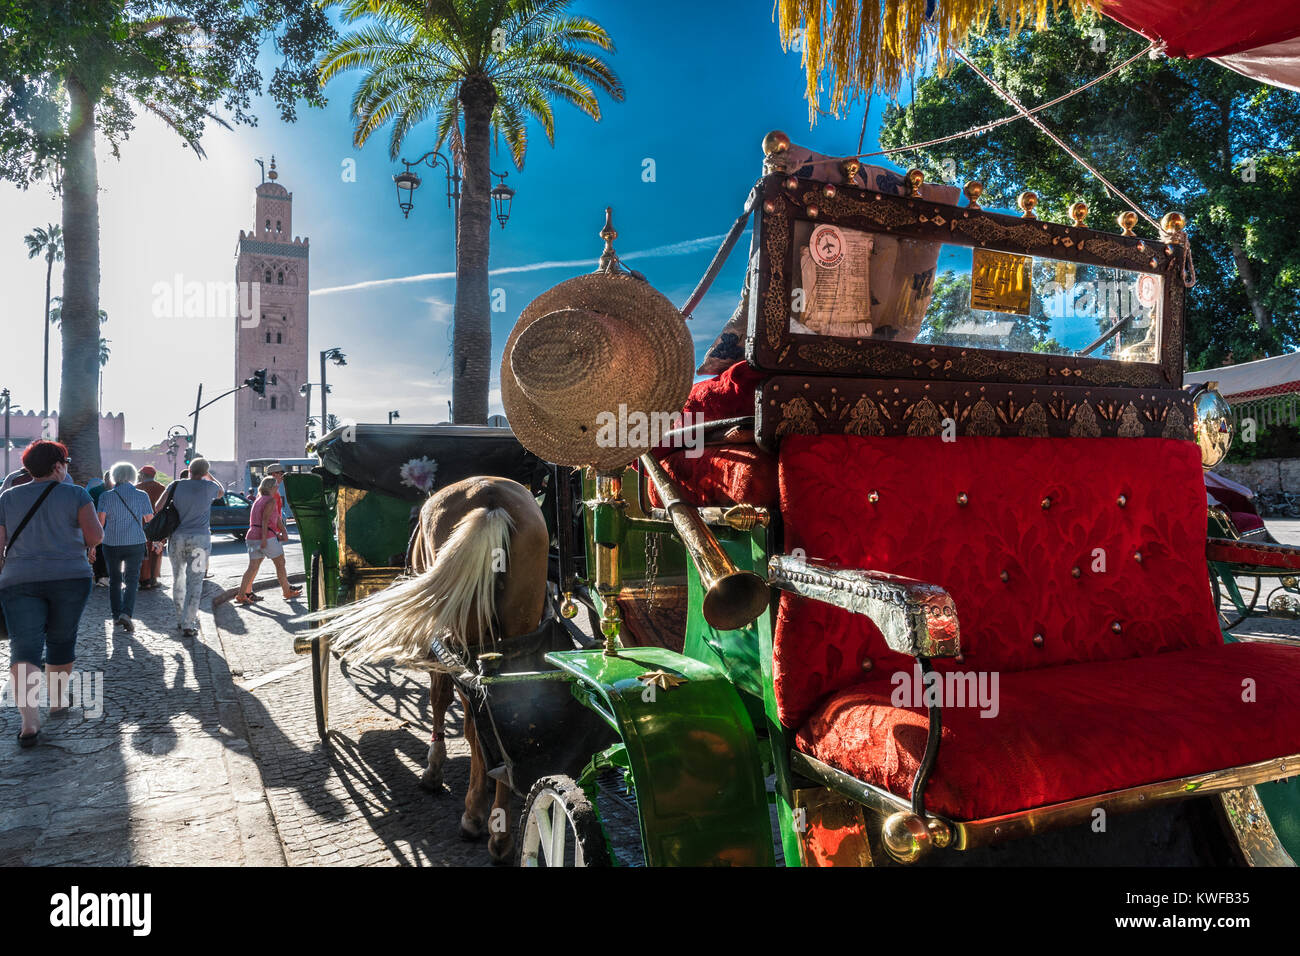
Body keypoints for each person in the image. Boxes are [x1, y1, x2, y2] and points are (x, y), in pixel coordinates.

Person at [0, 441, 102, 747]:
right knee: (61, 638)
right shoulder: (76, 494)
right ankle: (57, 702)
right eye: (66, 461)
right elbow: (95, 537)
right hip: (70, 577)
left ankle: (29, 722)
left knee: (24, 647)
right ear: (58, 465)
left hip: (18, 580)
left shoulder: (7, 497)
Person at [158, 457, 223, 637]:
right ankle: (188, 623)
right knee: (195, 582)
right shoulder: (209, 487)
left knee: (178, 579)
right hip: (200, 541)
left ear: (189, 470)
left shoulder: (175, 485)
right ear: (204, 472)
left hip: (177, 538)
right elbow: (222, 492)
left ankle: (180, 619)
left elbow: (158, 507)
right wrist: (208, 475)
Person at [97, 461, 154, 632]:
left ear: (114, 476)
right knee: (131, 580)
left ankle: (116, 615)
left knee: (114, 580)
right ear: (132, 476)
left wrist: (93, 546)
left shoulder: (105, 496)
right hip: (135, 542)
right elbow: (150, 520)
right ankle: (126, 614)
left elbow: (100, 523)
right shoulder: (142, 495)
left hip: (111, 543)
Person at [235, 476, 302, 604]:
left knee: (252, 567)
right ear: (271, 487)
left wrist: (283, 532)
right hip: (266, 537)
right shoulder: (270, 501)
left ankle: (241, 595)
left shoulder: (258, 500)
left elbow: (274, 518)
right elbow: (266, 520)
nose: (278, 487)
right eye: (276, 485)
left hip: (251, 536)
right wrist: (265, 539)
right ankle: (286, 591)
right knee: (280, 564)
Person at [136, 466, 166, 590]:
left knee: (144, 552)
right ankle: (153, 578)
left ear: (142, 475)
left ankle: (144, 579)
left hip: (141, 525)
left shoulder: (137, 488)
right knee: (156, 552)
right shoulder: (162, 488)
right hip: (158, 525)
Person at [86, 473, 110, 587]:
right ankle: (101, 576)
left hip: (103, 525)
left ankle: (101, 575)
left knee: (102, 551)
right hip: (100, 525)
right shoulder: (97, 492)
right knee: (100, 551)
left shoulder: (95, 491)